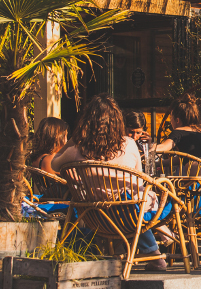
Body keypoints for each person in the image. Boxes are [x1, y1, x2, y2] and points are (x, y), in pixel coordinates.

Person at [53, 94, 167, 270]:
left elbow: (54, 162)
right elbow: (139, 176)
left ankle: (133, 251)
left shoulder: (76, 151)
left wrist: (76, 139)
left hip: (94, 216)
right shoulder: (129, 144)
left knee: (132, 203)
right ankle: (154, 251)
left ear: (86, 122)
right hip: (128, 213)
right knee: (159, 199)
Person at [153, 94, 201, 158]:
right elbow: (191, 158)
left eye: (171, 118)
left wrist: (147, 150)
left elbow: (163, 148)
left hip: (197, 170)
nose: (170, 122)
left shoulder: (179, 131)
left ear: (177, 120)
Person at [125, 111, 153, 175]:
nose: (134, 136)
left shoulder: (142, 145)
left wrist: (149, 146)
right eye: (131, 132)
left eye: (138, 133)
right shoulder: (120, 145)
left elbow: (153, 165)